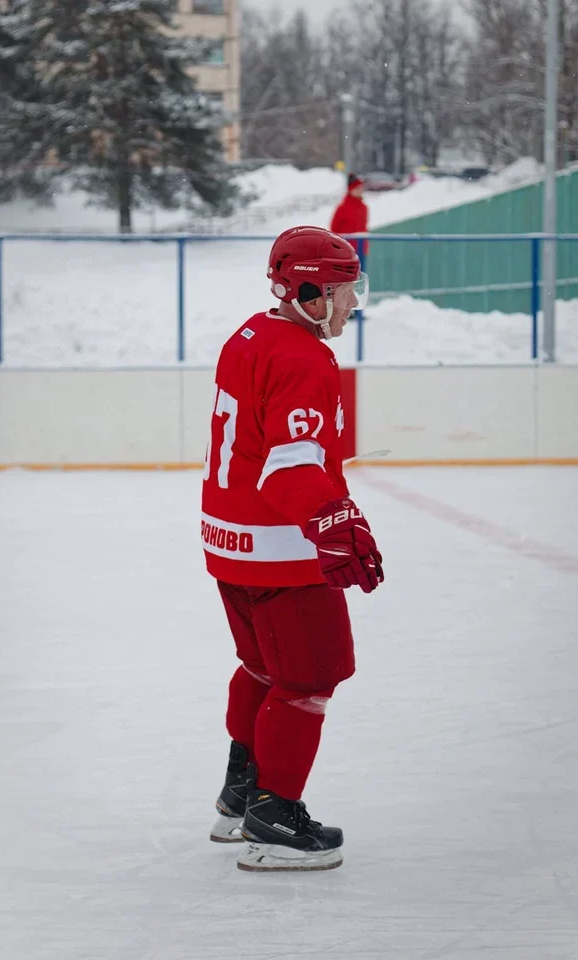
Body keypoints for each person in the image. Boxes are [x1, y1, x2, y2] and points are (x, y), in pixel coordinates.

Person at [201, 225, 384, 872]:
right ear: (307, 294)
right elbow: (288, 469)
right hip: (282, 549)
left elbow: (255, 444)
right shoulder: (304, 358)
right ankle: (274, 817)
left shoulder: (250, 334)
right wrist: (335, 517)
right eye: (342, 291)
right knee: (309, 676)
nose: (352, 303)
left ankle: (239, 796)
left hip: (231, 543)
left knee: (260, 667)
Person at [330, 172, 369, 270]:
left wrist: (365, 246)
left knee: (360, 278)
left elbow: (363, 228)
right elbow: (334, 229)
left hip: (360, 250)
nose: (360, 191)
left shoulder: (364, 207)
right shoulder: (342, 208)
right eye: (357, 188)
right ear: (351, 190)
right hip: (345, 252)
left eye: (361, 188)